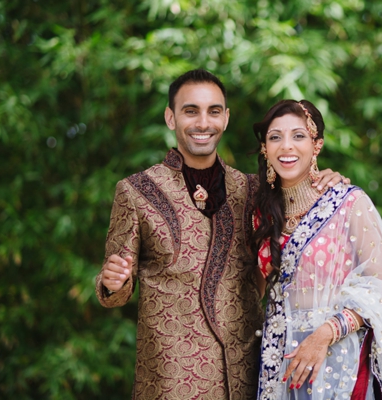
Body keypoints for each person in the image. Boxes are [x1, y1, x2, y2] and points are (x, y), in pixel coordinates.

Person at [94, 70, 347, 399]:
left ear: (225, 119)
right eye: (190, 111)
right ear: (171, 118)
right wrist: (113, 282)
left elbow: (303, 223)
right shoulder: (136, 191)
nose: (203, 122)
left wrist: (327, 179)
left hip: (246, 372)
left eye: (213, 111)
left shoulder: (252, 189)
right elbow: (114, 287)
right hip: (170, 378)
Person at [251, 100, 382, 399]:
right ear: (265, 147)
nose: (286, 146)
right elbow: (252, 294)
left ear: (317, 145)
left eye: (298, 136)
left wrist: (326, 333)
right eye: (275, 137)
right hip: (279, 365)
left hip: (339, 363)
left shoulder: (347, 203)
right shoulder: (261, 213)